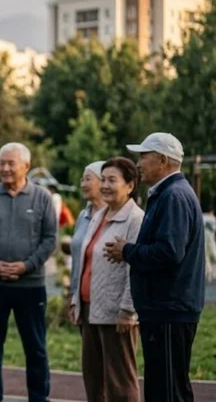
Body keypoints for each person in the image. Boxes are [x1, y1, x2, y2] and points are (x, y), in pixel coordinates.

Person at [105, 133, 205, 402]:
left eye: (143, 156)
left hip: (169, 310)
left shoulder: (173, 196)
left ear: (162, 161)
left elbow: (169, 252)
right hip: (166, 309)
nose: (138, 164)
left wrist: (127, 251)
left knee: (168, 391)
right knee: (167, 387)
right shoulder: (171, 193)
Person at [0, 142, 57, 402]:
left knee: (35, 348)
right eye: (1, 163)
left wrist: (26, 266)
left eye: (11, 163)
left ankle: (39, 398)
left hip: (30, 286)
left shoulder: (42, 198)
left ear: (26, 166)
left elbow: (50, 239)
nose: (5, 168)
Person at [71, 157, 143, 401]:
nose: (105, 186)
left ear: (130, 186)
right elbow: (86, 260)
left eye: (112, 180)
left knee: (120, 381)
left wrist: (128, 310)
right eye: (102, 180)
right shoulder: (98, 215)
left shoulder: (136, 219)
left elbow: (136, 269)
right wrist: (76, 300)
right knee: (93, 379)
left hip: (116, 312)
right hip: (90, 307)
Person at [68, 161, 106, 319]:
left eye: (88, 179)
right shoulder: (82, 216)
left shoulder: (113, 216)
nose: (83, 184)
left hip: (105, 299)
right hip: (82, 298)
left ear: (103, 182)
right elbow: (76, 259)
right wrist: (73, 295)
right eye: (82, 180)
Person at [202, 200, 216, 283]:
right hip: (211, 240)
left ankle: (208, 273)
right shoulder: (213, 218)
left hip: (204, 240)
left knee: (206, 257)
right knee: (214, 256)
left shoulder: (202, 216)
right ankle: (213, 273)